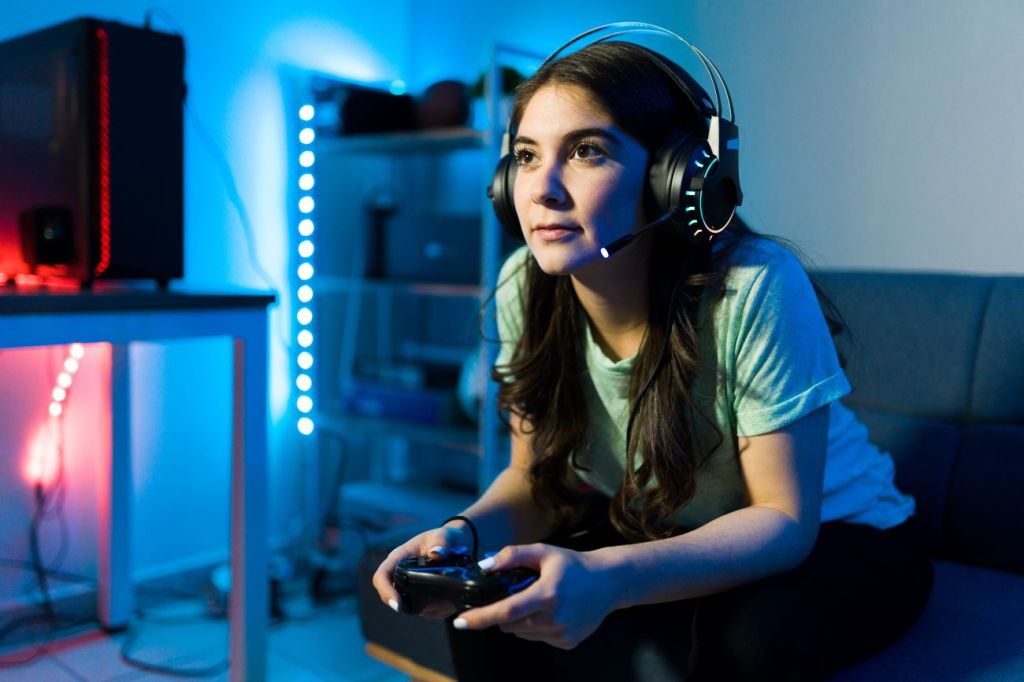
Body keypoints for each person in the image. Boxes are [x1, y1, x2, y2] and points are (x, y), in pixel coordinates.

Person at [372, 33, 933, 681]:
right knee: (496, 612)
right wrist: (462, 534)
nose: (544, 189)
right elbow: (535, 481)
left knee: (752, 641)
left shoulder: (754, 285)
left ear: (679, 177)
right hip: (669, 523)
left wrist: (610, 577)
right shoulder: (522, 284)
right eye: (526, 156)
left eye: (586, 151)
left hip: (843, 533)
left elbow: (782, 517)